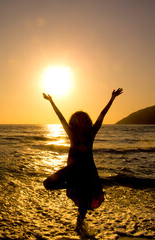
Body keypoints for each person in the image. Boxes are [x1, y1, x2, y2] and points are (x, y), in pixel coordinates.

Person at [43, 88, 123, 236]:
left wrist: (112, 98)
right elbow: (60, 117)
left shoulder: (91, 133)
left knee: (84, 203)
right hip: (72, 169)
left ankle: (79, 224)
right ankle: (71, 186)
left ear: (87, 121)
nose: (81, 121)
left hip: (87, 171)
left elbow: (102, 115)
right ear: (74, 121)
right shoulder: (71, 133)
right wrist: (51, 102)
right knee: (47, 184)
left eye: (83, 118)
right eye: (78, 119)